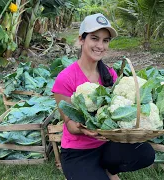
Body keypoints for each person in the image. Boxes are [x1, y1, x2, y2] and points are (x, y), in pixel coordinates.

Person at [52, 13, 155, 180]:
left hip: (107, 145)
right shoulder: (65, 78)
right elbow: (70, 124)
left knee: (146, 154)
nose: (100, 45)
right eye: (94, 38)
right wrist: (84, 129)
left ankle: (109, 170)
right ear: (81, 39)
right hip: (78, 151)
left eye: (105, 40)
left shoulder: (110, 74)